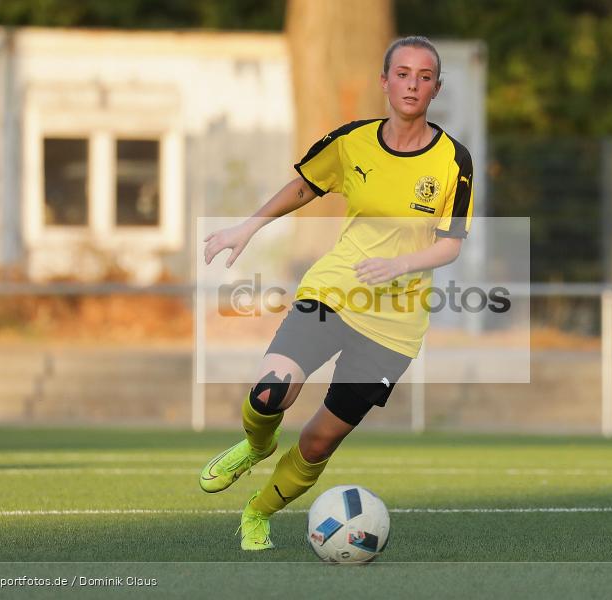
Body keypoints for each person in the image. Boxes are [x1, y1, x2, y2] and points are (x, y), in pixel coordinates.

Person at [200, 36, 474, 549]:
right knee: (271, 390)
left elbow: (450, 244)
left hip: (395, 325)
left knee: (320, 440)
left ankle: (257, 513)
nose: (412, 84)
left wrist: (400, 264)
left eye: (424, 76)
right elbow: (305, 185)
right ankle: (256, 445)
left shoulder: (453, 160)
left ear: (436, 88)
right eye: (402, 74)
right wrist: (247, 226)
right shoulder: (352, 141)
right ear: (384, 81)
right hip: (334, 291)